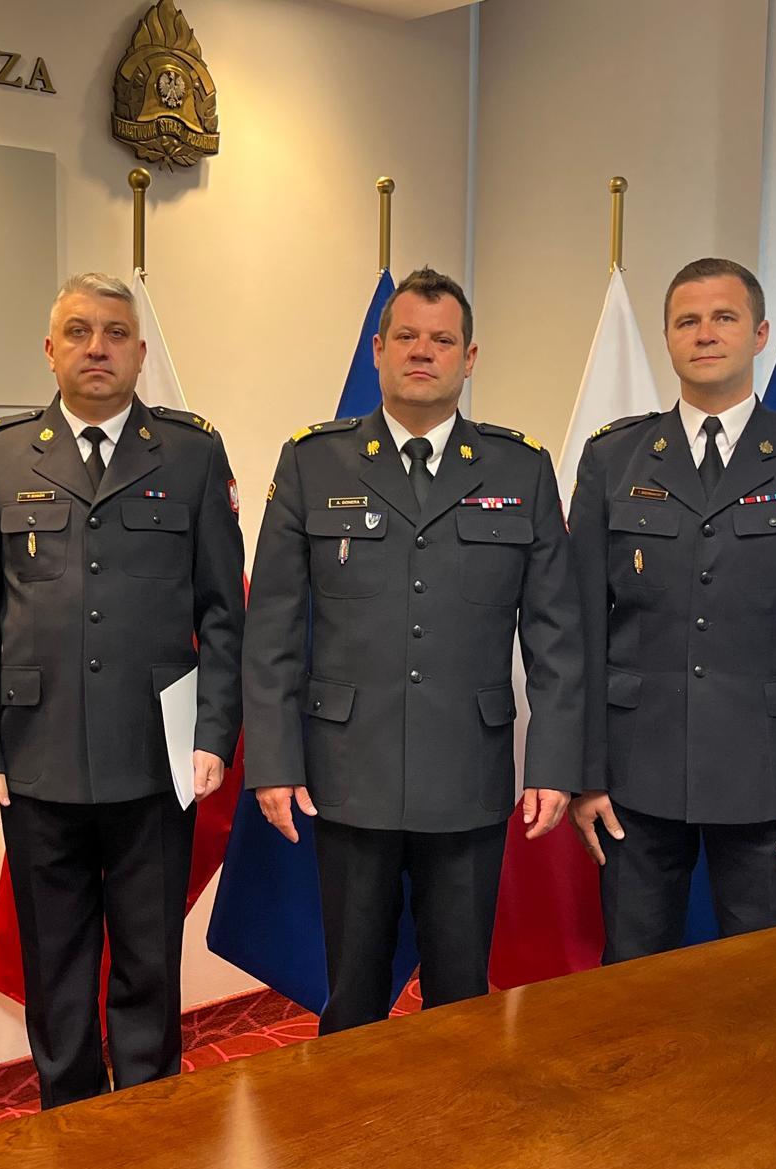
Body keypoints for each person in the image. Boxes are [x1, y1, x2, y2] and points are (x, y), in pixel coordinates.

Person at [242, 267, 583, 1034]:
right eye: (406, 337)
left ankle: (453, 1115)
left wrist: (554, 764)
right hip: (346, 772)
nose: (422, 352)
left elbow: (557, 635)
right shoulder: (313, 462)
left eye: (442, 340)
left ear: (470, 358)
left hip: (468, 773)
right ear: (379, 350)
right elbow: (272, 629)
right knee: (352, 996)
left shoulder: (520, 468)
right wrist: (273, 761)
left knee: (459, 997)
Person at [0, 273, 244, 1108]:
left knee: (149, 961)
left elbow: (224, 612)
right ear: (50, 350)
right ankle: (70, 1124)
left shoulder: (191, 453)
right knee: (57, 966)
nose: (97, 348)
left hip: (155, 755)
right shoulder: (0, 454)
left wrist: (214, 733)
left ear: (140, 353)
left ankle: (147, 1124)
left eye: (115, 333)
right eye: (78, 332)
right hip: (36, 757)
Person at [568, 257, 776, 962]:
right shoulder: (613, 458)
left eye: (724, 318)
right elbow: (580, 627)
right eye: (687, 321)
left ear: (760, 333)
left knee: (759, 989)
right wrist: (585, 775)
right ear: (668, 339)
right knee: (631, 985)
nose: (704, 334)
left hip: (772, 780)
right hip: (634, 778)